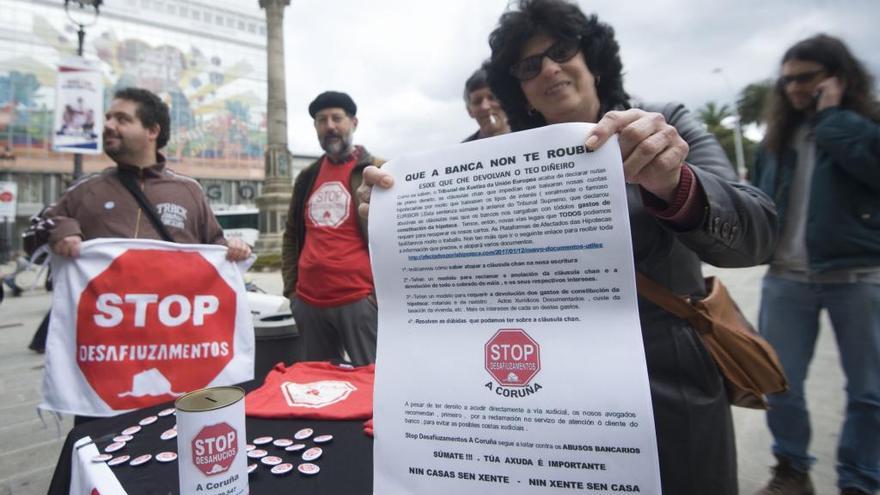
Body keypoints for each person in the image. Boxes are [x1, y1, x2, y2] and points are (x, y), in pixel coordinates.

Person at [357, 1, 778, 493]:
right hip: (544, 403)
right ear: (521, 91)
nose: (550, 69)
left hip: (666, 387)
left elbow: (758, 231)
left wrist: (676, 183)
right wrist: (395, 222)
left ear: (593, 58)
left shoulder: (665, 126)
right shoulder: (495, 166)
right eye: (529, 66)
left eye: (561, 50)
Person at [752, 34, 880, 495]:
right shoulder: (777, 137)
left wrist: (831, 117)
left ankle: (860, 480)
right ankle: (792, 470)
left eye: (805, 78)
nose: (794, 89)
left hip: (859, 275)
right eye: (787, 81)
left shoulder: (863, 124)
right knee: (779, 382)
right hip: (787, 277)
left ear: (836, 77)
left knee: (869, 392)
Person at [28, 87, 250, 260]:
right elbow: (33, 238)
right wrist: (62, 230)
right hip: (103, 317)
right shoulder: (85, 190)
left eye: (122, 119)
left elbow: (216, 247)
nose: (108, 125)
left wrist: (234, 248)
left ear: (152, 131)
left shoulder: (189, 191)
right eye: (108, 117)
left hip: (170, 316)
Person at [281, 91, 383, 366]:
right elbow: (291, 234)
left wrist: (377, 295)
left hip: (360, 301)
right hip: (308, 302)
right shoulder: (307, 176)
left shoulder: (375, 170)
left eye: (337, 118)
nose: (329, 126)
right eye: (321, 120)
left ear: (354, 123)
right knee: (319, 389)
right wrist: (292, 293)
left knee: (373, 385)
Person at [462, 63, 510, 142]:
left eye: (492, 98)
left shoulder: (530, 138)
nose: (485, 106)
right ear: (470, 111)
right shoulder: (463, 151)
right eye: (477, 101)